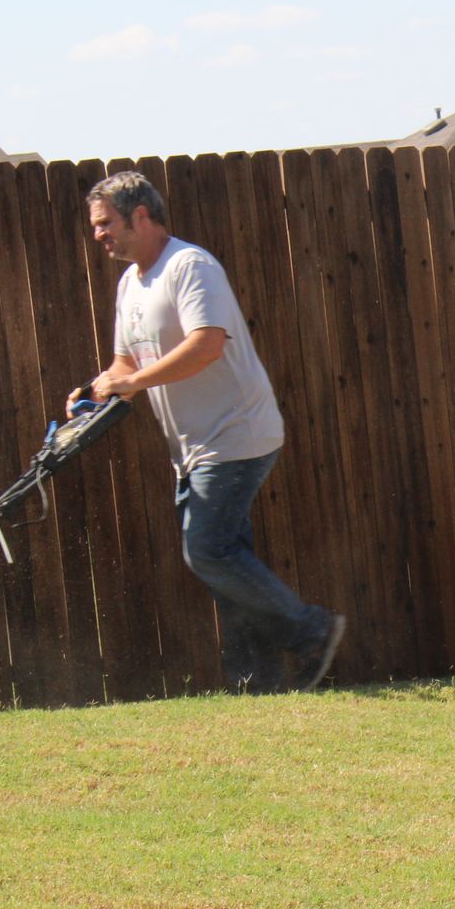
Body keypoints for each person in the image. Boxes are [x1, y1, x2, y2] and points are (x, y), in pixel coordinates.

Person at [75, 171, 344, 691]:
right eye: (95, 227)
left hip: (237, 433)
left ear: (142, 217)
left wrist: (130, 382)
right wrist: (95, 389)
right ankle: (256, 680)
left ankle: (313, 630)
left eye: (105, 224)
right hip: (193, 447)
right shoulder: (130, 283)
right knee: (226, 562)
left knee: (208, 550)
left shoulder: (188, 266)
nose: (99, 235)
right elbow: (122, 362)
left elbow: (206, 345)